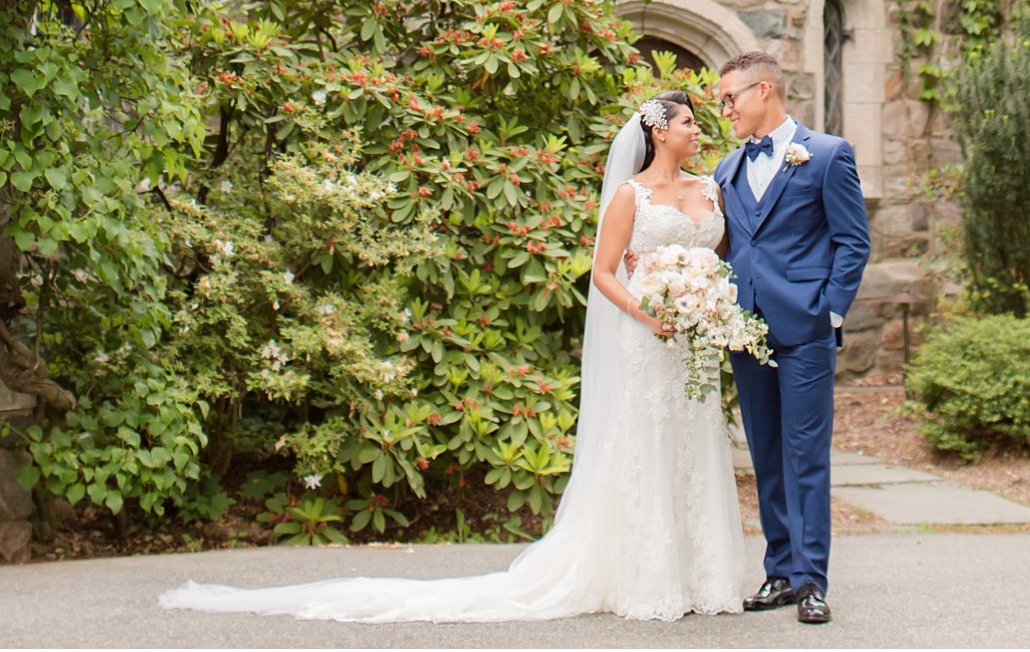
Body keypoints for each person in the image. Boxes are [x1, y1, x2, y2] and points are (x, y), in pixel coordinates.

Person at [158, 90, 747, 626]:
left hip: (694, 340)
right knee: (647, 442)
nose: (699, 130)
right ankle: (648, 578)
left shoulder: (708, 188)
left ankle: (703, 576)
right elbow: (602, 273)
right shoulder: (631, 195)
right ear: (659, 131)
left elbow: (719, 253)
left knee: (696, 441)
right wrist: (650, 313)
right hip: (648, 337)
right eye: (690, 122)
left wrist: (706, 297)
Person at [713, 50, 871, 627]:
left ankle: (811, 579)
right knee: (766, 455)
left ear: (763, 92)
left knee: (806, 457)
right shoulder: (726, 169)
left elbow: (853, 241)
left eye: (730, 97)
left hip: (805, 329)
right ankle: (778, 568)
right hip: (745, 333)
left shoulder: (827, 155)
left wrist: (829, 313)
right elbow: (726, 246)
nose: (724, 108)